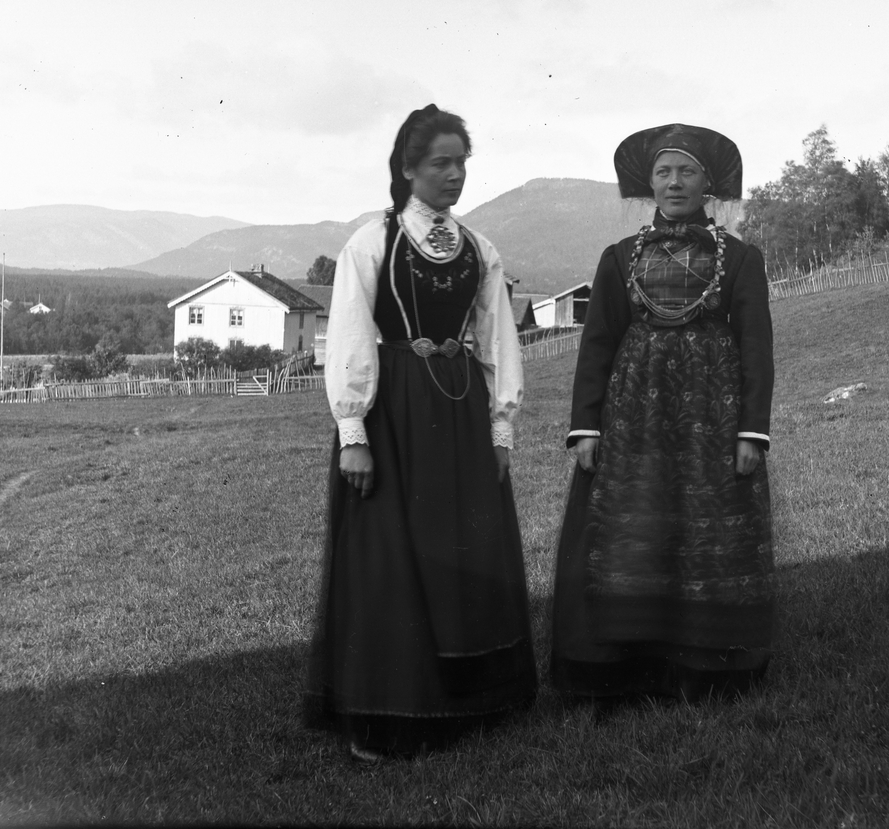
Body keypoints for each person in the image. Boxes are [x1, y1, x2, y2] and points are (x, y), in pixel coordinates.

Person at [303, 105, 537, 762]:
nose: (455, 174)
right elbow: (350, 333)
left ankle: (466, 704)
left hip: (461, 413)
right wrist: (353, 430)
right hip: (396, 412)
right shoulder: (372, 240)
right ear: (408, 168)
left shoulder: (480, 250)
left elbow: (496, 341)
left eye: (462, 162)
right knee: (393, 559)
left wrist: (502, 428)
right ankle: (387, 711)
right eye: (441, 162)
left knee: (463, 550)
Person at [550, 123, 775, 704]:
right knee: (633, 527)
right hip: (635, 416)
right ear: (647, 183)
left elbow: (756, 347)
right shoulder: (618, 258)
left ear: (710, 182)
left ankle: (706, 665)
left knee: (706, 530)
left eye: (688, 172)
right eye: (664, 172)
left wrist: (751, 430)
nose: (675, 183)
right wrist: (587, 425)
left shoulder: (742, 259)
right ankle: (623, 666)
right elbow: (597, 343)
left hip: (712, 417)